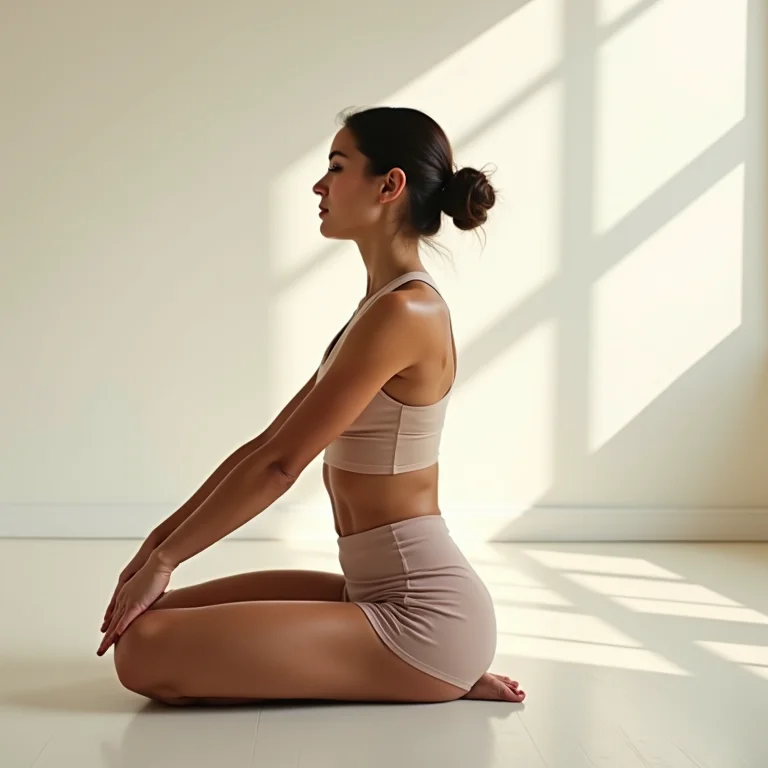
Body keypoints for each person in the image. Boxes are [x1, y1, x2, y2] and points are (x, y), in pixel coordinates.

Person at [97, 106, 526, 706]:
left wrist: (167, 557)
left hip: (418, 616)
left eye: (337, 166)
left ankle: (434, 667)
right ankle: (432, 667)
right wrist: (153, 551)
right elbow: (265, 445)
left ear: (389, 185)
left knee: (141, 652)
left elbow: (281, 466)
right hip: (373, 593)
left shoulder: (407, 312)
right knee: (145, 620)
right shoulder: (379, 309)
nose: (319, 185)